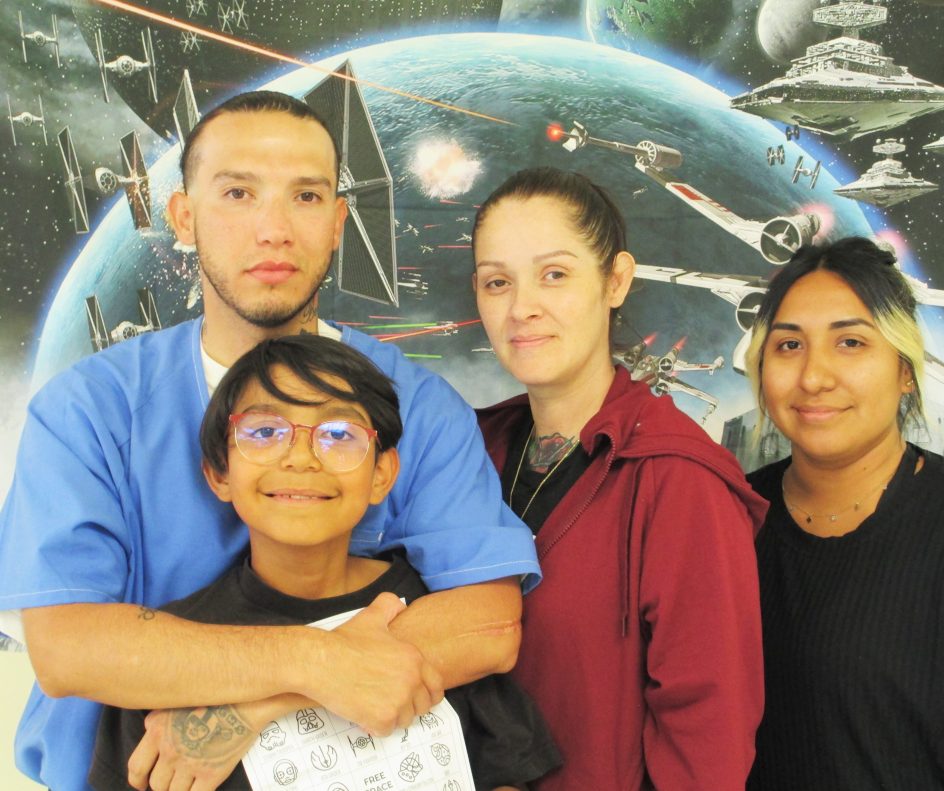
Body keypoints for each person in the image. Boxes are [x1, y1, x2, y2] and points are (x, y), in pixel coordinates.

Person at [0, 91, 540, 791]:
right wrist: (316, 661)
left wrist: (253, 702)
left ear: (340, 221)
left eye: (307, 197)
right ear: (184, 218)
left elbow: (486, 622)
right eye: (238, 192)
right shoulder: (90, 411)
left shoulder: (418, 406)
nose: (274, 229)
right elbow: (71, 647)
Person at [89, 334, 561, 791]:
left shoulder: (434, 620)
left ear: (382, 474)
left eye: (338, 433)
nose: (301, 457)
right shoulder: (170, 657)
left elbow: (505, 770)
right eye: (264, 431)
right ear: (219, 473)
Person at [472, 167, 767, 790]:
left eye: (554, 274)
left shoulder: (680, 482)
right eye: (497, 282)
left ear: (616, 280)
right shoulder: (469, 451)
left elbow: (708, 750)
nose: (522, 307)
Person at [742, 236, 944, 790]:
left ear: (905, 371)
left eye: (850, 342)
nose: (814, 377)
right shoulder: (729, 515)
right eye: (789, 346)